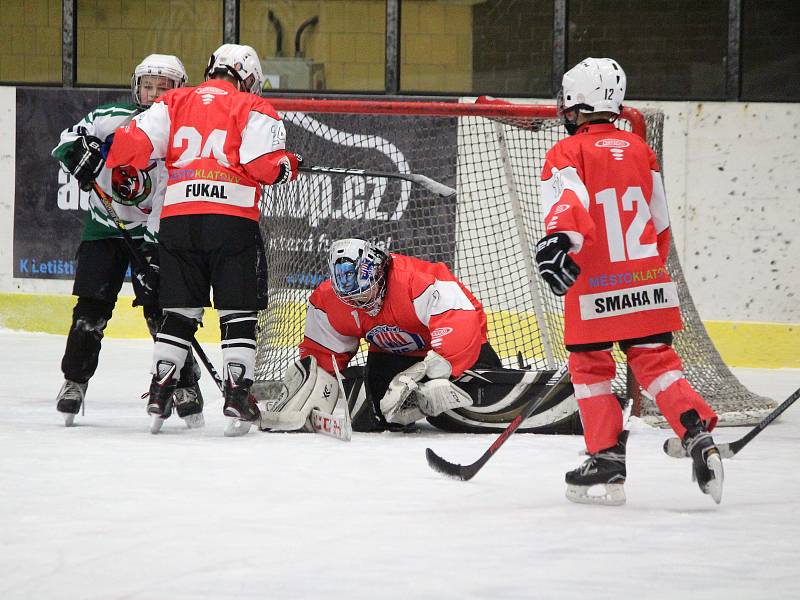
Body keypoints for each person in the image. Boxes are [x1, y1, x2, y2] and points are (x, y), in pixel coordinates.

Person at [534, 57, 723, 506]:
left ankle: (605, 462)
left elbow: (569, 201)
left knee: (591, 368)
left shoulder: (568, 151)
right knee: (657, 363)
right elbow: (659, 224)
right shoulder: (641, 148)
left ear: (576, 104)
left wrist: (558, 243)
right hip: (647, 280)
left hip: (595, 286)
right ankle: (697, 435)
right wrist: (644, 272)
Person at [105, 44, 303, 435]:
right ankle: (236, 395)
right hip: (230, 220)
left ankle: (160, 390)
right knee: (238, 314)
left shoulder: (174, 101)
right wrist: (288, 166)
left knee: (179, 311)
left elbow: (126, 150)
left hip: (178, 221)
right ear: (246, 76)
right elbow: (264, 166)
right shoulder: (253, 107)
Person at [52, 54, 205, 427]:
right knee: (90, 310)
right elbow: (67, 141)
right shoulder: (110, 118)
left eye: (163, 88)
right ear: (136, 87)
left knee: (162, 311)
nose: (153, 95)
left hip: (149, 233)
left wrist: (153, 249)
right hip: (104, 228)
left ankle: (184, 381)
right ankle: (74, 381)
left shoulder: (177, 137)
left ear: (178, 92)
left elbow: (168, 195)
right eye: (147, 86)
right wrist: (77, 155)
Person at [261, 238, 503, 433]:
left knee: (464, 410)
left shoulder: (418, 281)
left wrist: (435, 370)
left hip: (450, 353)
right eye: (351, 299)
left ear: (378, 275)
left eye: (364, 294)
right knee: (374, 416)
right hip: (391, 357)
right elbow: (323, 354)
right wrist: (313, 384)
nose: (359, 303)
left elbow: (459, 321)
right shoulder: (329, 300)